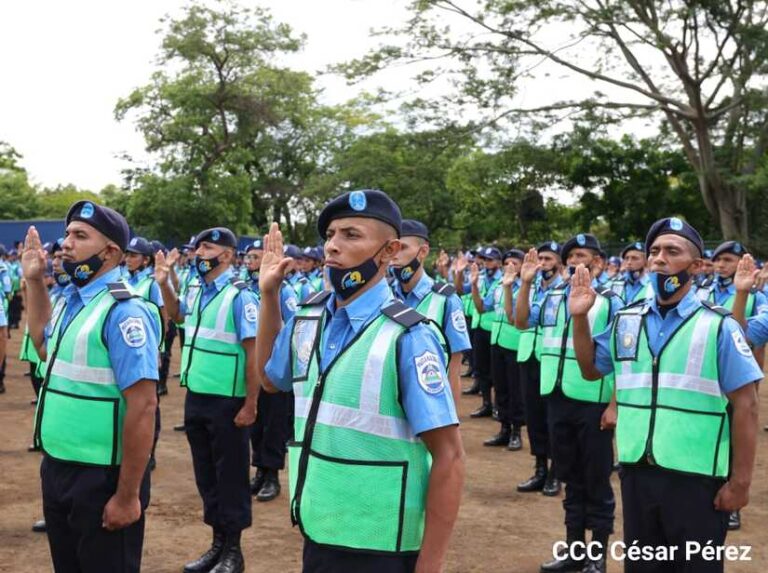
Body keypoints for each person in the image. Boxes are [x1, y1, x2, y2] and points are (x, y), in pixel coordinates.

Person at [256, 189, 465, 573]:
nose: (332, 246)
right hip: (320, 525)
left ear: (389, 252)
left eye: (351, 235)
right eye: (330, 235)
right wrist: (269, 296)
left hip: (380, 543)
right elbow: (270, 379)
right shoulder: (309, 318)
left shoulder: (409, 336)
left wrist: (431, 563)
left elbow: (449, 455)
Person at [571, 217, 761, 573]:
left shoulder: (718, 325)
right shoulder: (627, 320)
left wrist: (740, 483)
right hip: (637, 473)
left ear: (697, 266)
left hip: (697, 480)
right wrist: (580, 319)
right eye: (655, 251)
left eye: (672, 251)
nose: (659, 258)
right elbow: (590, 369)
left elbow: (747, 406)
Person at [24, 201, 160, 573]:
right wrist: (34, 281)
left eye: (80, 236)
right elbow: (43, 346)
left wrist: (127, 496)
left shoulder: (125, 311)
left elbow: (144, 406)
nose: (66, 243)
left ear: (111, 252)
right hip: (59, 468)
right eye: (67, 233)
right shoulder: (71, 300)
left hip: (101, 478)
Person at [156, 227, 260, 573]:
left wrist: (251, 403)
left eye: (206, 248)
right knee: (207, 476)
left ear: (227, 255)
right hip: (197, 397)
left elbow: (253, 353)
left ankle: (233, 550)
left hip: (229, 402)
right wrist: (164, 284)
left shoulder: (240, 296)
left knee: (230, 477)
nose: (199, 253)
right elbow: (178, 315)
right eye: (198, 247)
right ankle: (217, 543)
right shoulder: (197, 287)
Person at [516, 233, 622, 573]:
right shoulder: (551, 296)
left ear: (599, 263)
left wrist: (614, 404)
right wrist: (525, 283)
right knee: (571, 479)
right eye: (571, 256)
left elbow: (623, 356)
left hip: (593, 402)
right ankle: (575, 551)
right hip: (557, 396)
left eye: (583, 256)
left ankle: (598, 555)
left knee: (596, 480)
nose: (576, 262)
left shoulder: (610, 301)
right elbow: (521, 321)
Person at [390, 219, 471, 403]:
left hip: (428, 404)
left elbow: (454, 370)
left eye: (402, 248)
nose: (394, 255)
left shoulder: (445, 300)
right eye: (391, 248)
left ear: (423, 251)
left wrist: (449, 418)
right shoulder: (383, 295)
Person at [244, 237, 298, 502]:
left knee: (274, 424)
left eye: (255, 257)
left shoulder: (284, 291)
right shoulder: (248, 291)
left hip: (276, 368)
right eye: (249, 257)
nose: (251, 262)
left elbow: (293, 326)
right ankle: (260, 471)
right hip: (257, 367)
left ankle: (272, 475)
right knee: (257, 424)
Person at [515, 241, 563, 496]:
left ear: (560, 264)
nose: (543, 264)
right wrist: (525, 283)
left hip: (553, 362)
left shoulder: (565, 290)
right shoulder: (534, 288)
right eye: (540, 259)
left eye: (548, 259)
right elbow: (520, 321)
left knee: (552, 418)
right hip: (530, 357)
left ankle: (556, 472)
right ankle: (540, 468)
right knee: (534, 416)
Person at [483, 249, 526, 450]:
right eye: (507, 263)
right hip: (497, 340)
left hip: (515, 343)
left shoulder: (526, 287)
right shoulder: (498, 285)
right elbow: (485, 306)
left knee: (515, 388)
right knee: (500, 388)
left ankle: (516, 431)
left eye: (515, 263)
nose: (510, 267)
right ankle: (504, 428)